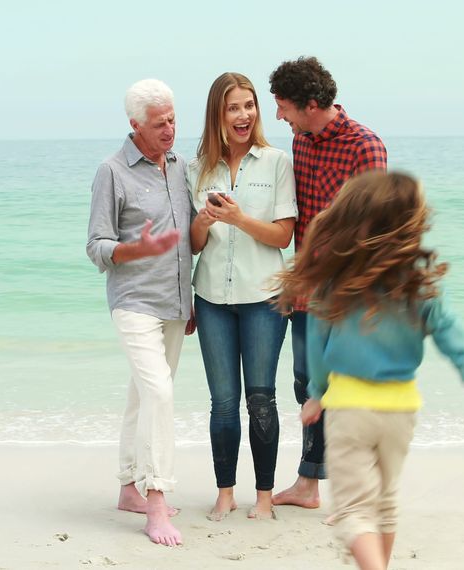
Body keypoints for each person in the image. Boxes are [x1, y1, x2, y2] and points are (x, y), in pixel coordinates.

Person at [273, 170, 464, 570]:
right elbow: (463, 348)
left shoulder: (336, 282)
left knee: (353, 512)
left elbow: (318, 346)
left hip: (350, 411)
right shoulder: (419, 287)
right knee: (385, 504)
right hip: (401, 412)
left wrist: (317, 394)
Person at [267, 56, 388, 512]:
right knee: (307, 386)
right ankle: (309, 483)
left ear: (311, 104)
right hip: (305, 291)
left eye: (283, 106)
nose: (279, 116)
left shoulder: (365, 146)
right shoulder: (300, 140)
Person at [86, 78, 193, 547]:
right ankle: (155, 501)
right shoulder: (111, 171)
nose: (169, 129)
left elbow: (190, 237)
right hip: (133, 302)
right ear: (135, 125)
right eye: (159, 123)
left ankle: (128, 486)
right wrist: (135, 249)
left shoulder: (180, 167)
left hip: (174, 304)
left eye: (172, 119)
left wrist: (188, 300)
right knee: (161, 396)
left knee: (142, 397)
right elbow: (96, 245)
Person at [187, 72, 297, 521]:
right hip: (212, 298)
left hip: (264, 300)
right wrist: (206, 222)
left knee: (261, 399)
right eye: (234, 107)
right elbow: (193, 244)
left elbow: (283, 236)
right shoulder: (197, 169)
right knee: (223, 402)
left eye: (249, 105)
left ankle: (265, 497)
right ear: (219, 113)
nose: (244, 114)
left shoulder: (276, 162)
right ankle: (225, 492)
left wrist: (237, 218)